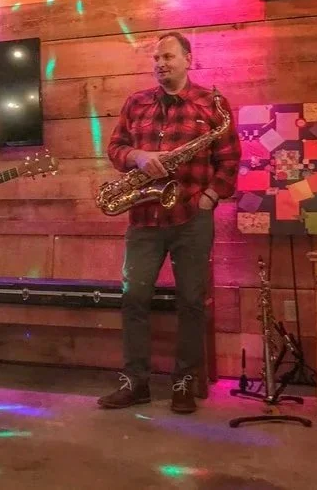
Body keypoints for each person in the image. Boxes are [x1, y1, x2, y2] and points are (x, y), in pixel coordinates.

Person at [98, 31, 240, 414]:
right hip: (144, 217)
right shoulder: (137, 102)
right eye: (156, 58)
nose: (160, 63)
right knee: (134, 299)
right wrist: (139, 156)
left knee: (192, 302)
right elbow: (114, 148)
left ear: (188, 59)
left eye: (168, 57)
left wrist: (210, 198)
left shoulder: (213, 104)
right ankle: (135, 382)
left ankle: (183, 382)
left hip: (192, 216)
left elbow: (229, 161)